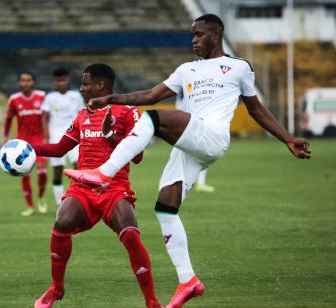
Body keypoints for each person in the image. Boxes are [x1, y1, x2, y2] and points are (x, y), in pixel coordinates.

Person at [65, 14, 311, 308]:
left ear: (215, 34)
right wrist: (111, 99)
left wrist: (287, 138)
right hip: (192, 144)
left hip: (212, 135)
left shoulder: (238, 67)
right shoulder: (186, 70)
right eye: (191, 35)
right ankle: (188, 280)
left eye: (199, 34)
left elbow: (256, 109)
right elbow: (152, 95)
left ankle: (104, 173)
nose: (193, 40)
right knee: (165, 208)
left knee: (153, 120)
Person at [32, 63, 161, 308]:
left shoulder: (128, 111)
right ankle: (56, 289)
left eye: (86, 84)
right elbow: (60, 149)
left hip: (114, 187)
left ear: (101, 85)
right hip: (82, 187)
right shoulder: (83, 115)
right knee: (61, 221)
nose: (81, 89)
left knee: (131, 234)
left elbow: (138, 156)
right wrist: (29, 147)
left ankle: (152, 302)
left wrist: (112, 136)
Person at [4, 72, 48, 216]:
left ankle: (41, 197)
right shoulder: (14, 99)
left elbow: (48, 118)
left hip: (40, 140)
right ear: (19, 83)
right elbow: (9, 119)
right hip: (22, 143)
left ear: (33, 82)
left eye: (28, 80)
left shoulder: (42, 96)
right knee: (25, 174)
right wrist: (5, 136)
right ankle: (30, 206)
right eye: (23, 80)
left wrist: (48, 136)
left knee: (42, 172)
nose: (26, 83)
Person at [41, 68, 84, 206]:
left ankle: (80, 199)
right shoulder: (50, 97)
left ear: (68, 80)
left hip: (74, 135)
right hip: (56, 136)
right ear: (54, 82)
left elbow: (82, 115)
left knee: (79, 168)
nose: (61, 83)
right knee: (58, 170)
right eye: (58, 80)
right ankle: (60, 203)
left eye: (63, 80)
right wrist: (46, 137)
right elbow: (45, 117)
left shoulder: (75, 96)